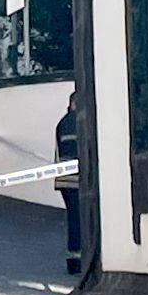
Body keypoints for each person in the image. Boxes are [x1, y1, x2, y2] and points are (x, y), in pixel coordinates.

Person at [57, 91, 81, 275]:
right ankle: (76, 260)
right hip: (75, 180)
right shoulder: (74, 122)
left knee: (74, 219)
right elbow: (75, 151)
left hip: (65, 180)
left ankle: (74, 259)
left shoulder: (63, 122)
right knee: (77, 219)